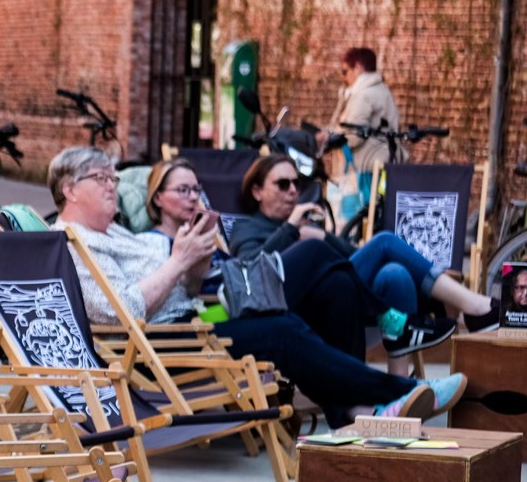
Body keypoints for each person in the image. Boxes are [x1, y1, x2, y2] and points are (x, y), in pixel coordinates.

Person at [98, 150, 464, 425]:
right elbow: (164, 302)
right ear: (157, 198)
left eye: (197, 189)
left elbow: (195, 286)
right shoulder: (147, 243)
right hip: (217, 317)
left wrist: (199, 262)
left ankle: (357, 410)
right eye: (182, 189)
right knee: (318, 250)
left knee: (339, 281)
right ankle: (397, 336)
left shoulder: (212, 237)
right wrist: (183, 259)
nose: (193, 196)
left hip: (236, 307)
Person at [230, 154, 494, 369]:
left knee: (394, 273)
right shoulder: (247, 229)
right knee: (385, 241)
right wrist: (289, 230)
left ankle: (398, 383)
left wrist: (321, 236)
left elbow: (350, 256)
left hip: (343, 303)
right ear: (256, 191)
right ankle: (474, 306)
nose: (293, 191)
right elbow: (250, 273)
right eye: (282, 184)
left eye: (296, 184)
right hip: (299, 312)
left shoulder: (306, 227)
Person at [329, 47, 403, 174]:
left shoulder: (363, 95)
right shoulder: (383, 90)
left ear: (357, 68)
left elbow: (354, 135)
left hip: (366, 167)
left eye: (345, 71)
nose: (344, 78)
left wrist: (332, 139)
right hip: (386, 161)